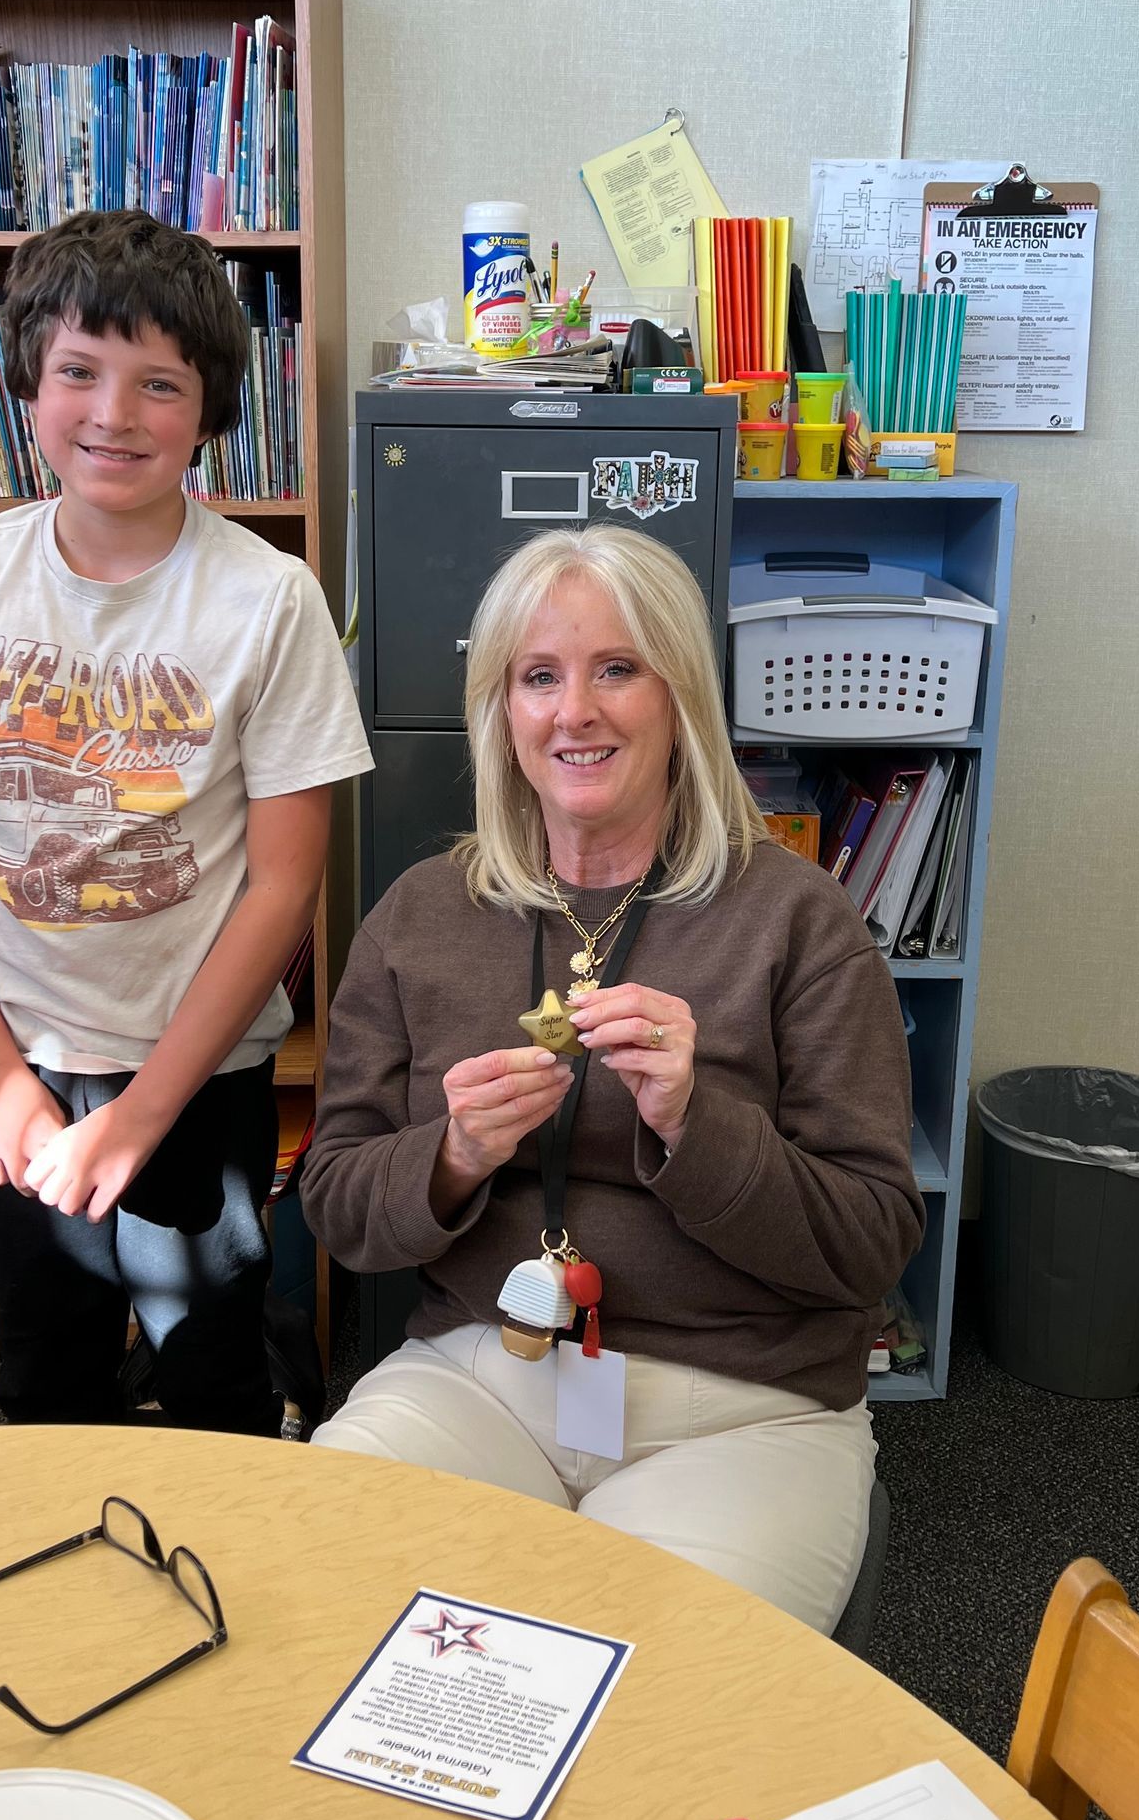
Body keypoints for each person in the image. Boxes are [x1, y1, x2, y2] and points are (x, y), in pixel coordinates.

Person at [303, 525, 923, 1631]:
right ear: (502, 711)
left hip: (745, 1407)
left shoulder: (797, 919)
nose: (573, 711)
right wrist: (453, 1157)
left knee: (649, 1699)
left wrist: (697, 1124)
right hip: (483, 1373)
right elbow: (343, 1209)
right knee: (323, 1589)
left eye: (616, 670)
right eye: (538, 676)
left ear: (680, 694)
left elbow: (872, 1242)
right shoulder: (420, 915)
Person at [0, 211, 371, 1431]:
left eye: (160, 383)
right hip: (23, 1068)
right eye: (80, 372)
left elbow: (281, 884)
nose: (115, 413)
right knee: (46, 1381)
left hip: (199, 1075)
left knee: (215, 1390)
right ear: (29, 384)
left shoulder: (269, 598)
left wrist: (145, 1113)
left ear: (208, 411)